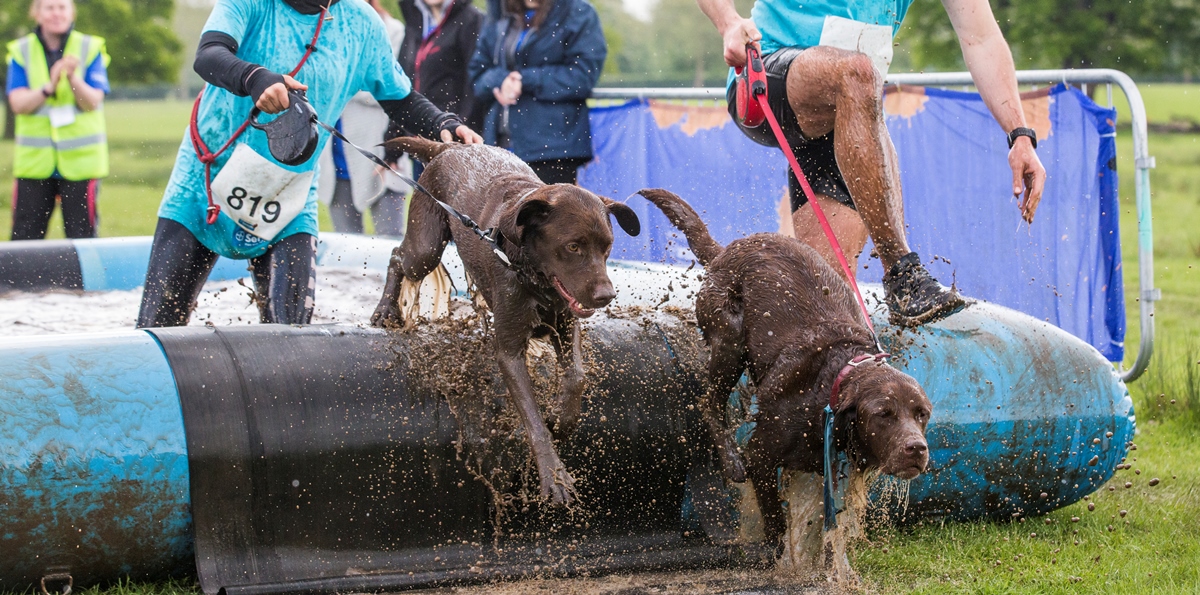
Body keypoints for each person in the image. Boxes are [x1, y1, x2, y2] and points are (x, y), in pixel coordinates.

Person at [697, 0, 1047, 326]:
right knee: (858, 71)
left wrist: (1020, 135)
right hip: (767, 75)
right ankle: (902, 274)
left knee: (824, 308)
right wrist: (728, 22)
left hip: (846, 114)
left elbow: (981, 38)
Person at [136, 0, 481, 329]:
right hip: (205, 184)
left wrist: (443, 124)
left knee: (290, 343)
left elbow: (400, 98)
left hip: (288, 197)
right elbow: (209, 55)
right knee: (158, 325)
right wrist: (254, 77)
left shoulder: (362, 23)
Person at [468, 0, 606, 185]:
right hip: (500, 145)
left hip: (552, 148)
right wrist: (502, 81)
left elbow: (583, 75)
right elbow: (478, 72)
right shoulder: (501, 11)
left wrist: (525, 81)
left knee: (546, 214)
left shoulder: (577, 12)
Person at [5, 0, 110, 241]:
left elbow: (92, 101)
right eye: (49, 7)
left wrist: (72, 77)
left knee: (83, 238)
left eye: (62, 7)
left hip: (82, 163)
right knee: (24, 239)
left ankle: (83, 281)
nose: (56, 13)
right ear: (37, 13)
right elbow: (18, 104)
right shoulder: (21, 50)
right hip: (35, 164)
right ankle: (21, 281)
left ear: (72, 12)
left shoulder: (90, 47)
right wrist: (49, 87)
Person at [317, 0, 412, 237]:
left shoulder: (393, 30)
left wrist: (339, 82)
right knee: (345, 247)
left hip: (380, 152)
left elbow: (395, 90)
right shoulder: (323, 29)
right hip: (335, 156)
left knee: (390, 243)